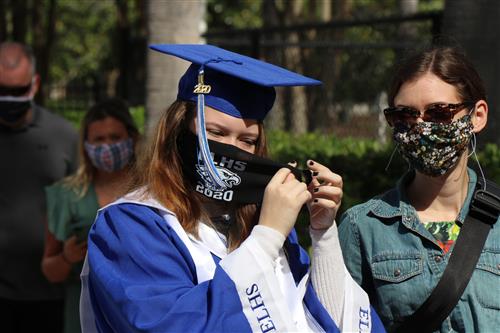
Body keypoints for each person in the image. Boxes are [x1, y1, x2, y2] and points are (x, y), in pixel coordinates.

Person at [80, 44, 385, 333]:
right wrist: (267, 238)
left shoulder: (257, 220)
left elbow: (326, 321)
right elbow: (168, 325)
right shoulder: (131, 225)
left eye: (247, 141)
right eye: (215, 133)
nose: (230, 150)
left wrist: (323, 233)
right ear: (178, 132)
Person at [338, 45, 499, 332]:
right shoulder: (363, 227)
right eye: (405, 116)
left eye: (438, 113)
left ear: (477, 116)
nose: (421, 127)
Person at [41, 98, 140, 333]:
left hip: (138, 310)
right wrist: (67, 257)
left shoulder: (153, 190)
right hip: (83, 313)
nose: (107, 146)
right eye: (99, 139)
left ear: (132, 138)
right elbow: (50, 269)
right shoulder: (68, 195)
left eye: (115, 138)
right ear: (86, 145)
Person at [0, 41, 78, 332]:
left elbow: (83, 204)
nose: (8, 99)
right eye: (1, 90)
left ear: (34, 84)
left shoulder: (64, 136)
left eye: (17, 91)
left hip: (50, 294)